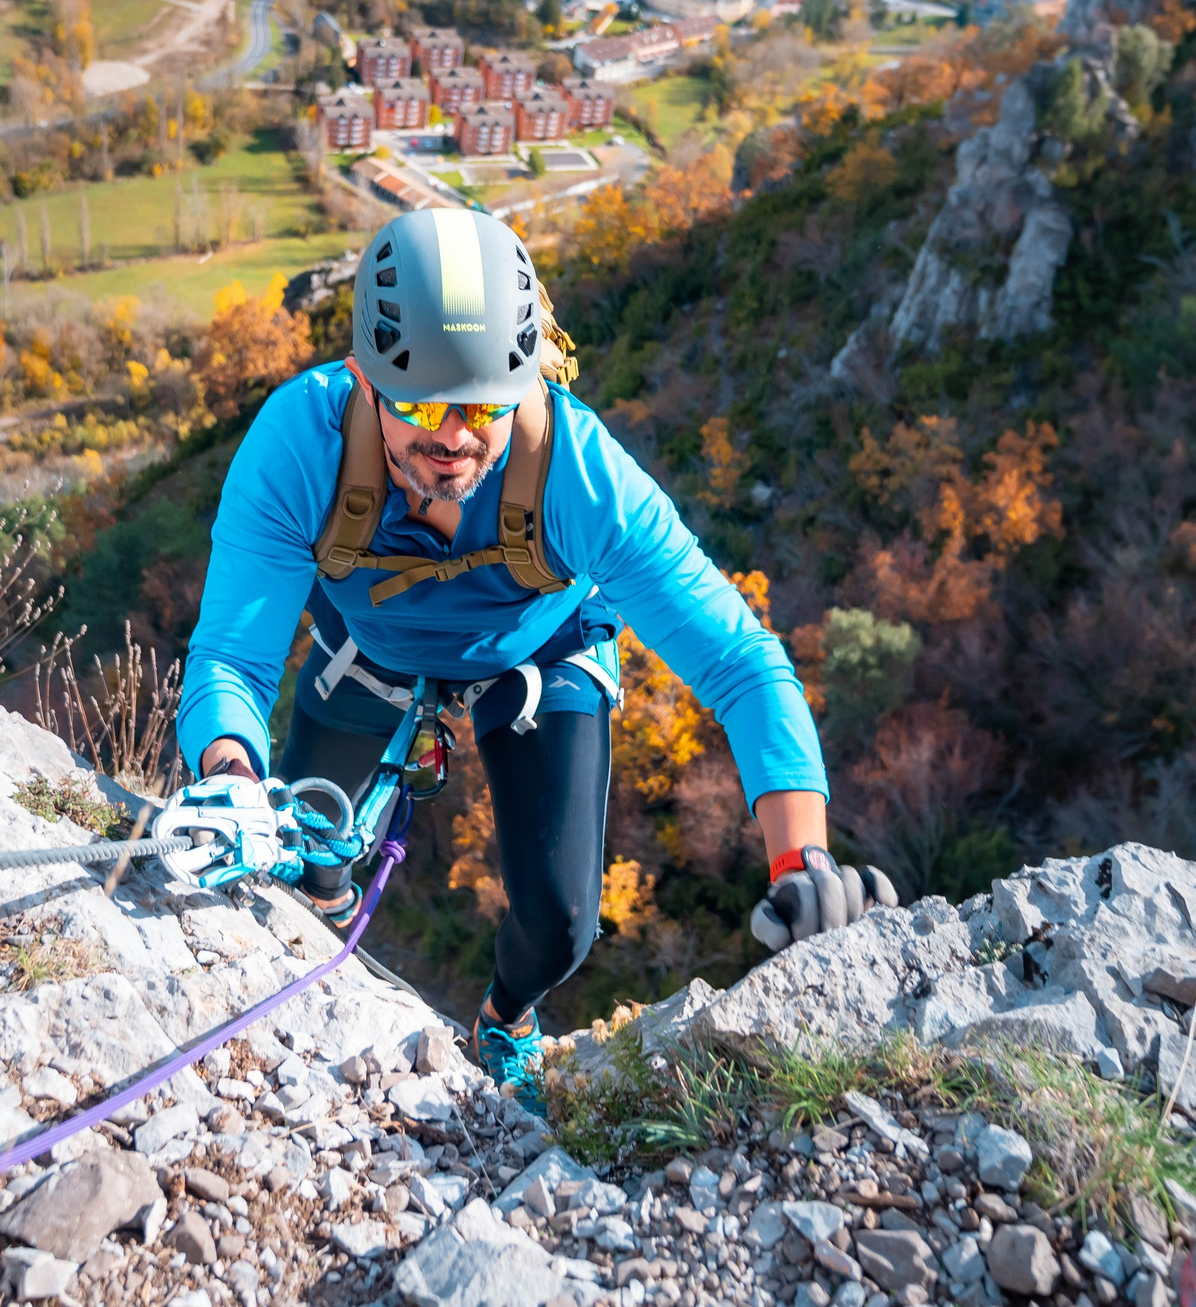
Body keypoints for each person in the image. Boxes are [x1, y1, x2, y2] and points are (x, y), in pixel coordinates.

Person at [177, 208, 889, 1111]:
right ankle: (315, 956)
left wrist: (804, 865)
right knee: (306, 858)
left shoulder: (580, 474)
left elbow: (743, 663)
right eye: (422, 405)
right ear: (362, 377)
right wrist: (232, 776)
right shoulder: (301, 445)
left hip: (539, 649)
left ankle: (505, 1019)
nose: (454, 437)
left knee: (560, 926)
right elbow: (231, 660)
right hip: (369, 647)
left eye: (482, 405)